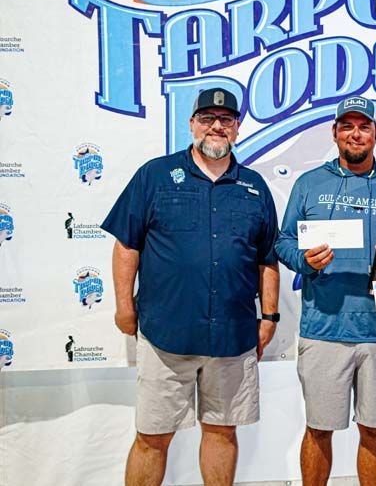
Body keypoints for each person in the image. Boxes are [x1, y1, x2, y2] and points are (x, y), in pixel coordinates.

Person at [101, 88, 280, 486]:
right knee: (152, 436)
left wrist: (269, 316)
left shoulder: (253, 186)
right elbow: (126, 244)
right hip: (167, 334)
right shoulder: (155, 175)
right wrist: (123, 307)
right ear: (192, 124)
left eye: (226, 119)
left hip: (232, 337)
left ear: (237, 127)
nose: (216, 126)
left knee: (222, 431)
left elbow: (267, 258)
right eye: (207, 118)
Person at [275, 95, 376, 486]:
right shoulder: (309, 184)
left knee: (374, 429)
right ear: (335, 133)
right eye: (347, 126)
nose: (355, 134)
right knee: (319, 429)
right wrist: (306, 260)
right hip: (323, 329)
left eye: (363, 126)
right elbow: (284, 242)